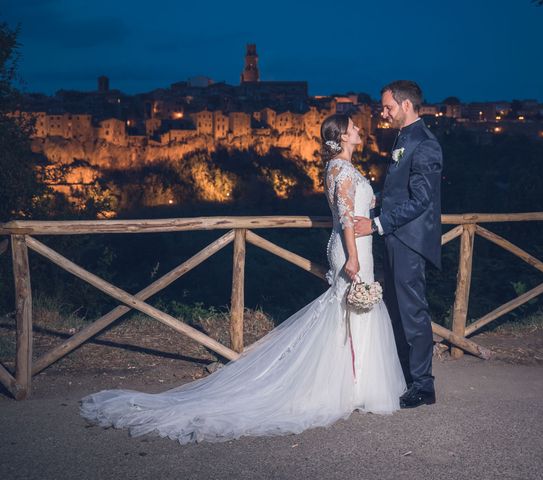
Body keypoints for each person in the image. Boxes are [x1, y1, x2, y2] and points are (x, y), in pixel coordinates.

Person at [80, 114, 406, 444]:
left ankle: (350, 384)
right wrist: (352, 255)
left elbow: (355, 209)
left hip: (353, 247)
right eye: (353, 127)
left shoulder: (339, 169)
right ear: (342, 136)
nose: (359, 130)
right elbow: (348, 218)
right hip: (353, 249)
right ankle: (347, 386)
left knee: (350, 315)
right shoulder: (342, 169)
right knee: (349, 314)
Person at [354, 80, 443, 409]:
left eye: (389, 107)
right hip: (395, 236)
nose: (384, 112)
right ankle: (405, 375)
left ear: (407, 106)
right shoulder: (405, 138)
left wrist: (377, 223)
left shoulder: (426, 144)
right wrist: (379, 199)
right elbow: (402, 188)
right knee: (395, 309)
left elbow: (422, 200)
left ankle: (423, 385)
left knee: (413, 312)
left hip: (409, 240)